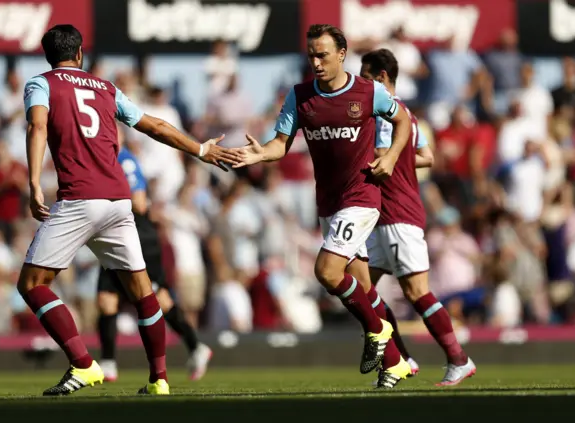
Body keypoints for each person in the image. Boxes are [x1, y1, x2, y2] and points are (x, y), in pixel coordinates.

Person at [18, 25, 238, 396]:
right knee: (142, 292)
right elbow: (155, 125)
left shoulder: (41, 83)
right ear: (80, 53)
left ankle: (84, 364)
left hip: (79, 199)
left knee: (32, 284)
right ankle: (160, 379)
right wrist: (200, 150)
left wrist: (35, 182)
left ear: (47, 56)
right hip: (120, 201)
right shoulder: (105, 88)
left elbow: (37, 125)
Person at [233, 24, 413, 375]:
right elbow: (279, 144)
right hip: (329, 202)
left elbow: (402, 120)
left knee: (327, 272)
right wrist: (259, 155)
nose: (316, 62)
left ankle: (378, 329)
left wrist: (390, 157)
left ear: (342, 55)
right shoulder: (299, 96)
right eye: (311, 55)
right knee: (360, 285)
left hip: (361, 198)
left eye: (323, 55)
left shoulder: (368, 92)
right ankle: (395, 363)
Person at [360, 49, 476, 387]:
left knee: (417, 292)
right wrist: (401, 157)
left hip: (397, 212)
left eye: (365, 79)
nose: (360, 87)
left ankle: (459, 359)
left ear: (381, 79)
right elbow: (426, 156)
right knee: (361, 290)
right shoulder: (408, 116)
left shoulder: (384, 117)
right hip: (382, 216)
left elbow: (382, 155)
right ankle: (403, 357)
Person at [97, 126, 212, 383]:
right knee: (106, 298)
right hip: (114, 236)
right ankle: (108, 362)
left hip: (138, 235)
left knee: (159, 298)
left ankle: (195, 346)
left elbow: (138, 202)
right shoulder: (102, 159)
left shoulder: (124, 160)